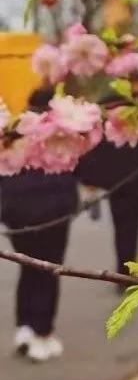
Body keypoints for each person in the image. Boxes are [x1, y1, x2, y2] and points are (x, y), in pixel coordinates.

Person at [1, 88, 78, 362]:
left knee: (29, 267)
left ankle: (25, 327)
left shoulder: (13, 128)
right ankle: (42, 332)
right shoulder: (61, 129)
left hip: (17, 211)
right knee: (49, 268)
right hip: (53, 210)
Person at [76, 95, 138, 280]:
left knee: (121, 224)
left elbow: (91, 145)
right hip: (136, 175)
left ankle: (124, 269)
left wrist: (88, 178)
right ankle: (127, 270)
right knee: (131, 226)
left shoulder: (103, 109)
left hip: (113, 177)